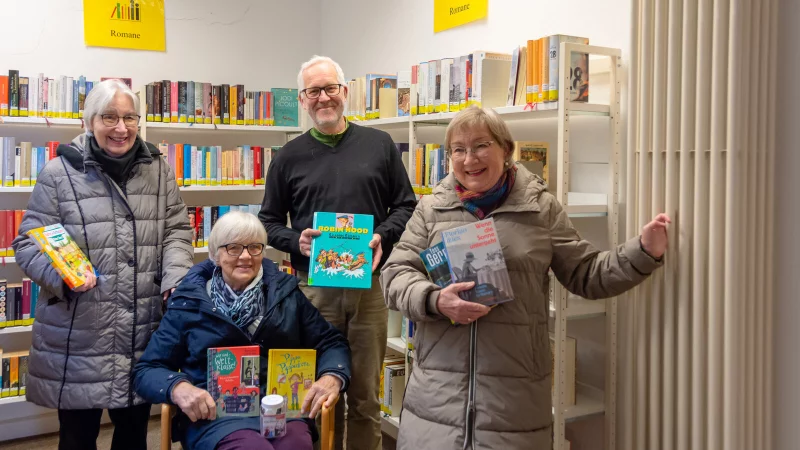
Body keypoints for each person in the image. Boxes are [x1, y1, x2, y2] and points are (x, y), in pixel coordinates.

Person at [380, 106, 671, 450]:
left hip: (514, 403)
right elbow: (395, 274)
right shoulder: (431, 209)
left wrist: (643, 252)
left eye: (480, 145)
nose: (469, 158)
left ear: (506, 149)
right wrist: (434, 299)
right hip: (436, 400)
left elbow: (586, 274)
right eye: (458, 149)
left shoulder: (541, 209)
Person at [11, 79, 194, 450]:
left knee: (133, 436)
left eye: (130, 117)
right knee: (77, 438)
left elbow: (177, 230)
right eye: (109, 117)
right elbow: (28, 243)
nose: (121, 128)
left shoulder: (159, 170)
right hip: (79, 334)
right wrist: (62, 278)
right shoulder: (58, 173)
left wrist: (175, 279)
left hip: (142, 330)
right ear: (89, 121)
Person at [259, 55, 416, 450]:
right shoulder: (287, 156)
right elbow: (269, 221)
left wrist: (382, 234)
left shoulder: (379, 145)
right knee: (318, 396)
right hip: (313, 292)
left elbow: (406, 206)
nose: (324, 97)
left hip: (369, 289)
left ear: (344, 92)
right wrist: (298, 242)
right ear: (303, 99)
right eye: (314, 91)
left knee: (365, 396)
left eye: (330, 88)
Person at [133, 211, 351, 450]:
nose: (246, 256)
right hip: (215, 417)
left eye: (254, 247)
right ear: (216, 254)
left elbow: (331, 342)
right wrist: (177, 387)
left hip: (280, 408)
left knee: (296, 445)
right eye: (233, 248)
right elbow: (147, 370)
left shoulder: (285, 294)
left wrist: (333, 376)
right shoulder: (190, 301)